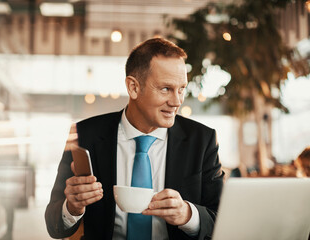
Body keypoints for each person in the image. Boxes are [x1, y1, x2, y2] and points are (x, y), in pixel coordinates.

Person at [45, 38, 224, 240]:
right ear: (133, 87)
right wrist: (73, 207)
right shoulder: (85, 134)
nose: (177, 101)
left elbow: (223, 221)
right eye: (166, 88)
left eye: (181, 88)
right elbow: (54, 226)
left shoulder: (202, 140)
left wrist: (188, 215)